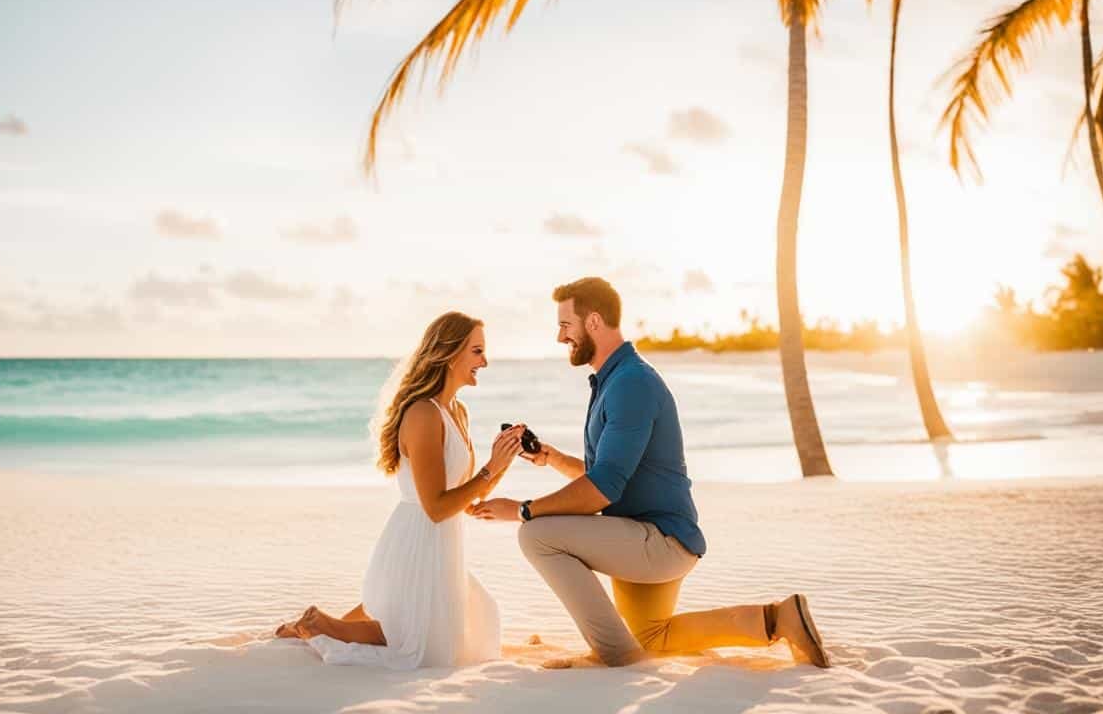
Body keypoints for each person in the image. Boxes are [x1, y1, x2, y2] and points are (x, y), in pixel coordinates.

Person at [473, 277, 830, 669]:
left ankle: (614, 656)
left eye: (565, 326)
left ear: (593, 322)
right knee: (653, 638)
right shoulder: (617, 379)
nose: (560, 338)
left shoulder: (631, 383)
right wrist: (552, 458)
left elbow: (604, 488)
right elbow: (610, 473)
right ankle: (778, 618)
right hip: (652, 536)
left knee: (537, 534)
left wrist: (522, 510)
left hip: (659, 542)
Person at [276, 311, 523, 669]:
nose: (485, 361)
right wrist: (489, 469)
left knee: (474, 623)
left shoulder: (458, 411)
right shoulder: (423, 414)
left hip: (443, 543)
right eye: (477, 351)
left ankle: (327, 625)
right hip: (419, 541)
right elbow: (436, 507)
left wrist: (503, 459)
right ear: (450, 353)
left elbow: (466, 493)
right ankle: (317, 625)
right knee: (420, 647)